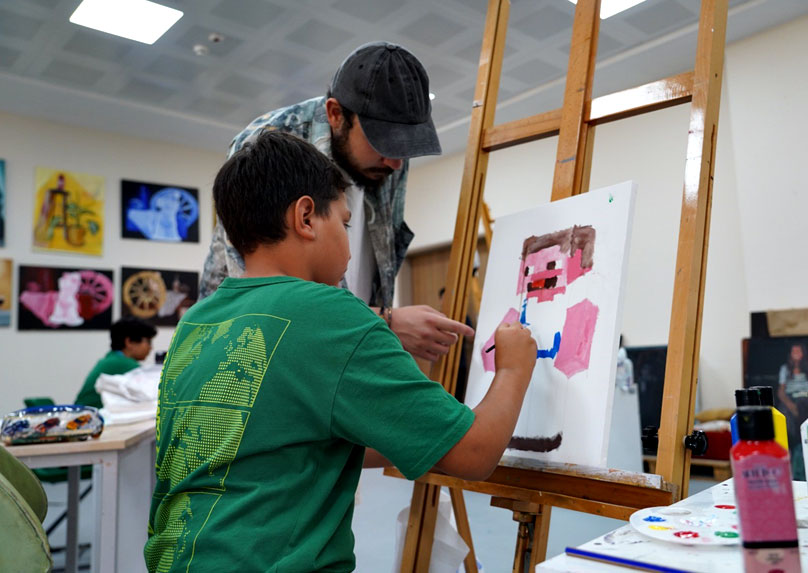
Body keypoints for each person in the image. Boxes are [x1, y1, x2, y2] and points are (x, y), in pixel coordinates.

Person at [145, 132, 536, 572]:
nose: (350, 247)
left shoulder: (199, 320)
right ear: (307, 217)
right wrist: (513, 368)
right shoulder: (329, 313)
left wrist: (411, 434)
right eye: (346, 224)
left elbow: (273, 447)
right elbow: (474, 453)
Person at [199, 41, 472, 363]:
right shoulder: (267, 144)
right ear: (335, 114)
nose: (396, 163)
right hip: (254, 351)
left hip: (348, 343)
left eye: (404, 148)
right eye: (383, 143)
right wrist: (386, 321)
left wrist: (373, 329)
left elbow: (377, 261)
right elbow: (262, 295)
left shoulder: (388, 160)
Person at [75, 317, 156, 408]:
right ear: (129, 342)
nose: (150, 347)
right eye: (148, 342)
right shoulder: (124, 364)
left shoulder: (112, 359)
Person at [776, 342, 808, 479]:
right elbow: (781, 392)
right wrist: (790, 405)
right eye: (793, 352)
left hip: (804, 400)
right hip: (789, 400)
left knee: (803, 407)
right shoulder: (785, 369)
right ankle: (793, 446)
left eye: (798, 351)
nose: (796, 354)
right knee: (785, 417)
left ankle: (802, 444)